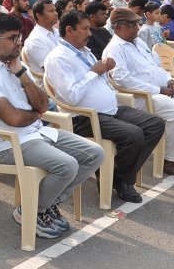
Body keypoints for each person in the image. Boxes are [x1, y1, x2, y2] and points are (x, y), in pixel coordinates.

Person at [0, 13, 103, 238]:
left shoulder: (16, 65)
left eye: (19, 36)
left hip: (35, 132)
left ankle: (44, 203)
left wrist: (21, 74)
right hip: (8, 143)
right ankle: (32, 210)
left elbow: (42, 104)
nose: (18, 42)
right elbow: (13, 119)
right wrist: (36, 114)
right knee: (67, 165)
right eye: (12, 38)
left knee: (94, 153)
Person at [45, 11, 165, 204]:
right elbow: (71, 96)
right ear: (69, 30)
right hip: (83, 117)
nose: (90, 34)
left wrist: (103, 71)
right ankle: (124, 181)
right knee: (133, 134)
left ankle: (117, 175)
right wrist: (94, 72)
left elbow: (99, 80)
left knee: (155, 124)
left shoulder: (85, 51)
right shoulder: (58, 58)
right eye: (85, 29)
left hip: (110, 111)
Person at [104, 8, 174, 177]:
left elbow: (157, 66)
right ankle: (169, 159)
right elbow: (122, 80)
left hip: (163, 89)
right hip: (142, 97)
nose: (137, 28)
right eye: (131, 25)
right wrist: (158, 89)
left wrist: (170, 80)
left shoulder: (139, 42)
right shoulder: (114, 48)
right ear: (118, 27)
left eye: (137, 23)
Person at [22, 0, 61, 79]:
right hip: (52, 84)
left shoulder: (57, 32)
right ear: (39, 16)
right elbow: (52, 70)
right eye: (51, 11)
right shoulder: (35, 40)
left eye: (55, 10)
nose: (56, 13)